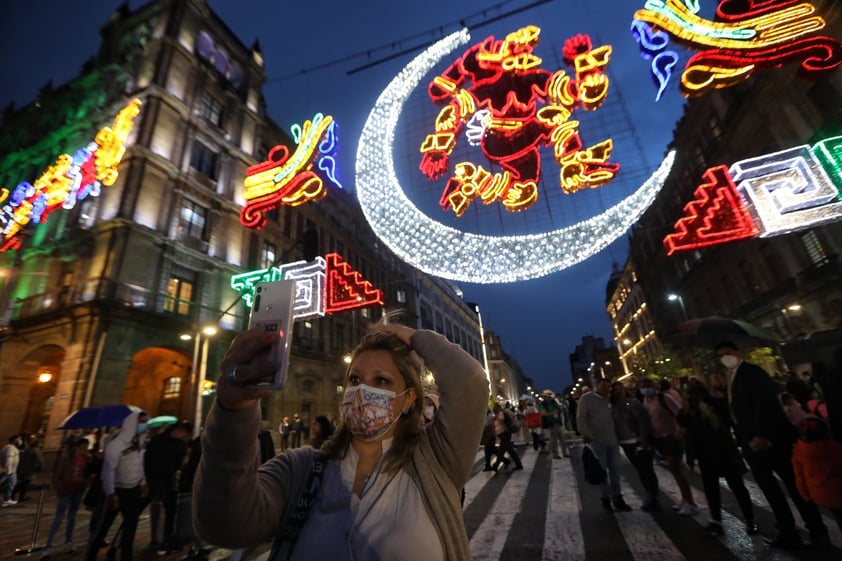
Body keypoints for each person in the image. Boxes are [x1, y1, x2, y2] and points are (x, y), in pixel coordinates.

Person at [194, 318, 488, 560]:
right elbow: (224, 526)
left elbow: (471, 381)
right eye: (355, 380)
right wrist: (234, 411)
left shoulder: (435, 461)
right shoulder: (301, 469)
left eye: (381, 381)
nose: (362, 391)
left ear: (409, 399)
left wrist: (414, 338)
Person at [716, 341, 829, 548]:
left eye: (728, 353)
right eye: (721, 355)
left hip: (772, 439)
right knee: (769, 488)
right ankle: (787, 531)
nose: (725, 357)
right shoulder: (730, 376)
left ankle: (817, 530)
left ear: (738, 351)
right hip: (750, 442)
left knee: (794, 485)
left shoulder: (752, 372)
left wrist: (761, 434)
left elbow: (765, 403)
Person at [677, 381, 757, 536]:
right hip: (708, 453)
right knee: (715, 488)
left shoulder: (715, 403)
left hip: (722, 451)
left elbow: (728, 419)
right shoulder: (689, 408)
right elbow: (682, 422)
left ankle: (748, 519)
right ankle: (720, 520)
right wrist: (686, 409)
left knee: (734, 486)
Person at [85, 411, 150, 561]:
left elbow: (139, 465)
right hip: (116, 490)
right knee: (102, 528)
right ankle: (90, 556)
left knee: (130, 528)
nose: (143, 425)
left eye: (145, 422)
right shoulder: (117, 444)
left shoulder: (140, 443)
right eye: (141, 422)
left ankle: (127, 557)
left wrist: (143, 482)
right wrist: (110, 493)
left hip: (132, 491)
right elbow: (108, 470)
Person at [638, 377, 698, 515]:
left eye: (647, 385)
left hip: (671, 437)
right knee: (674, 470)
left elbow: (680, 413)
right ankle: (685, 499)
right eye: (642, 386)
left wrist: (678, 433)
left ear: (654, 386)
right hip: (659, 439)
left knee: (678, 470)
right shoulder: (646, 401)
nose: (645, 388)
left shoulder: (663, 398)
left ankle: (690, 502)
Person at [577, 378, 632, 511]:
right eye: (603, 386)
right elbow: (581, 417)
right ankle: (605, 498)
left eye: (608, 387)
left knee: (615, 470)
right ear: (597, 386)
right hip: (596, 440)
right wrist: (585, 433)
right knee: (601, 471)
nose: (605, 389)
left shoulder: (609, 399)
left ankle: (617, 497)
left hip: (612, 440)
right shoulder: (586, 398)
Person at [610, 382, 660, 511]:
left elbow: (643, 421)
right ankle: (650, 495)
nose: (619, 391)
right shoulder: (613, 406)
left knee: (646, 470)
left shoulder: (633, 403)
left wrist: (643, 438)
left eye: (621, 389)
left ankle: (653, 497)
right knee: (640, 470)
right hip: (626, 443)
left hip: (639, 441)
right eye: (616, 390)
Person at [144, 421, 191, 554]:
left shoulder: (181, 444)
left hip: (168, 483)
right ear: (177, 430)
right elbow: (147, 461)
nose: (184, 437)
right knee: (136, 512)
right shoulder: (157, 441)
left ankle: (166, 541)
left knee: (170, 512)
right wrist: (145, 481)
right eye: (183, 434)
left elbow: (179, 464)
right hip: (153, 481)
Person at [41, 437, 90, 559]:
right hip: (66, 491)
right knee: (58, 518)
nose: (83, 450)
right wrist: (61, 490)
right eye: (81, 447)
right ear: (76, 447)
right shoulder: (66, 459)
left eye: (85, 447)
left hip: (78, 491)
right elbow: (56, 476)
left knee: (72, 517)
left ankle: (68, 543)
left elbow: (89, 473)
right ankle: (48, 547)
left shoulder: (87, 459)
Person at [792, 416, 842, 531]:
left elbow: (800, 477)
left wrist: (806, 495)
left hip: (822, 494)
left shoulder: (799, 452)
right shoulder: (836, 448)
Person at [492, 403, 524, 471]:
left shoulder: (500, 413)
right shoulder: (498, 414)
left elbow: (502, 422)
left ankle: (496, 465)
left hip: (504, 433)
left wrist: (497, 418)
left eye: (495, 407)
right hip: (501, 433)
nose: (494, 409)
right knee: (510, 450)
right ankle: (518, 464)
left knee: (501, 450)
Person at [539, 390, 569, 458]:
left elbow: (559, 409)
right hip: (551, 424)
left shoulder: (554, 402)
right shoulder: (543, 404)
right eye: (547, 396)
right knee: (553, 440)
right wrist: (553, 412)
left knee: (562, 439)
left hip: (558, 422)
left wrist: (560, 410)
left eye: (549, 396)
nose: (549, 398)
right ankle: (555, 454)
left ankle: (565, 452)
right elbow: (543, 413)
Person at [14, 434, 43, 502]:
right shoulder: (35, 450)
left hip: (25, 469)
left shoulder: (29, 449)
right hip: (29, 470)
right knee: (25, 483)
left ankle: (21, 496)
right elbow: (39, 461)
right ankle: (15, 493)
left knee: (24, 483)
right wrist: (40, 468)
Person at [0, 435, 21, 506]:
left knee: (11, 484)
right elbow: (9, 459)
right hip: (9, 471)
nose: (20, 442)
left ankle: (7, 499)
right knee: (9, 484)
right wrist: (8, 471)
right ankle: (7, 498)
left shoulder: (10, 448)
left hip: (12, 471)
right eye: (18, 440)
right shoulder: (10, 448)